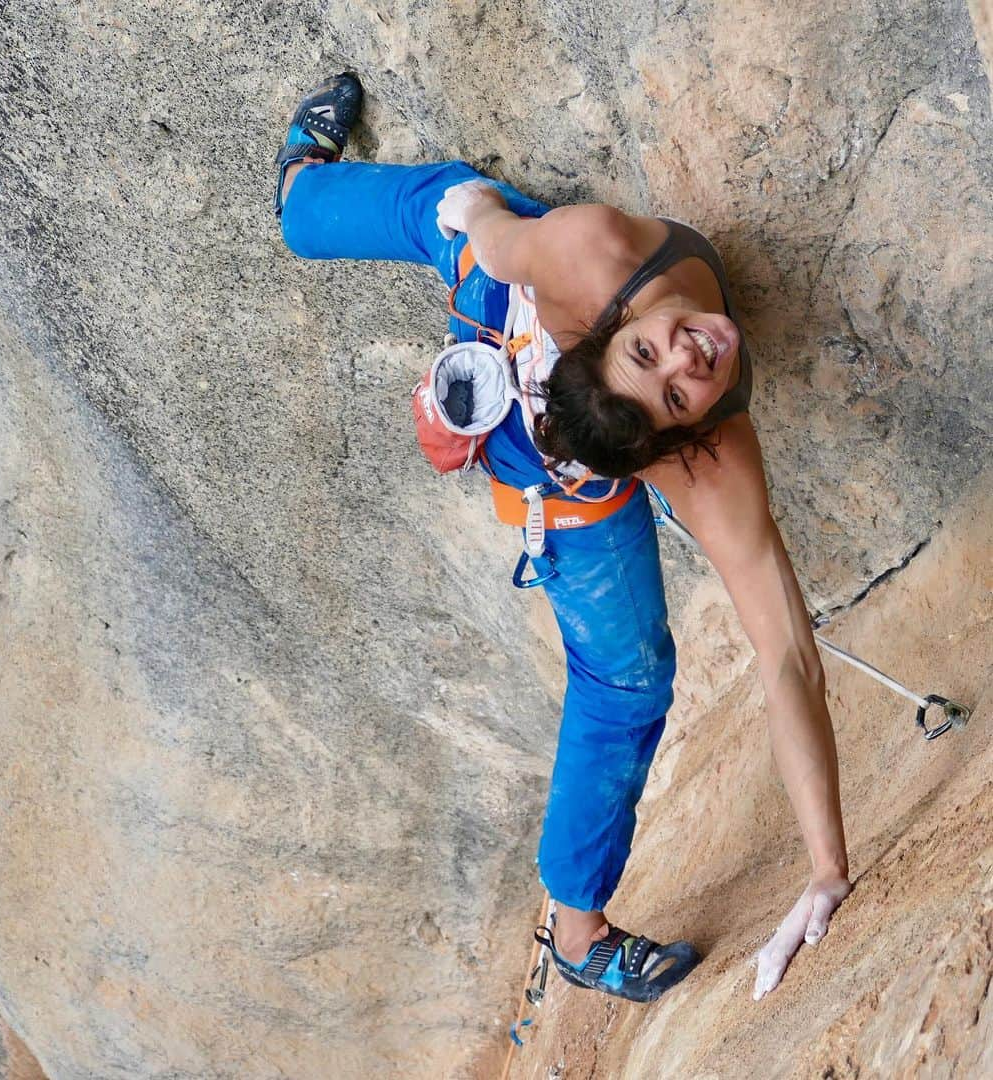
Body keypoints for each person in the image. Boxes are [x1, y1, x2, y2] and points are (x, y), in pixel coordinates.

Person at [274, 73, 853, 1004]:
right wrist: (828, 865)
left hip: (546, 382)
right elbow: (490, 235)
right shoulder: (661, 382)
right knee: (623, 683)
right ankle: (576, 937)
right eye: (664, 375)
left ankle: (304, 196)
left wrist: (827, 865)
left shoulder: (623, 309)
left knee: (446, 201)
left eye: (662, 369)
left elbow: (788, 658)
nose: (689, 356)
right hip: (542, 438)